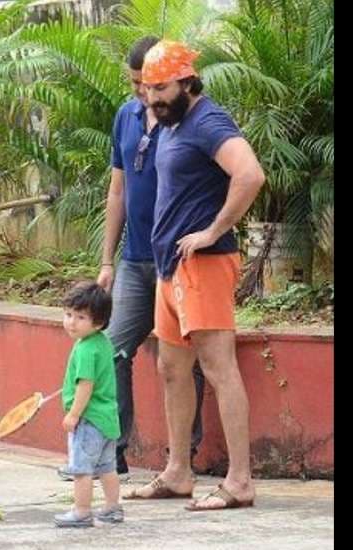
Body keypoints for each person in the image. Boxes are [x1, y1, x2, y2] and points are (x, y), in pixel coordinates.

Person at [123, 40, 265, 511]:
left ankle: (240, 481)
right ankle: (178, 471)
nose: (151, 98)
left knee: (219, 368)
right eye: (146, 89)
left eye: (160, 87)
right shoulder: (172, 122)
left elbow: (250, 175)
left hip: (203, 264)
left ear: (186, 80)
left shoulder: (208, 121)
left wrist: (212, 231)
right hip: (170, 266)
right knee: (171, 368)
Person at [95, 36, 206, 476]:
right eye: (136, 83)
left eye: (151, 83)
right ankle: (113, 450)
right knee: (110, 350)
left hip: (178, 261)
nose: (143, 92)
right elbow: (118, 188)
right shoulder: (125, 116)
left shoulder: (183, 118)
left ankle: (184, 455)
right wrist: (107, 259)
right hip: (135, 260)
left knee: (182, 355)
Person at [54, 281, 124, 528]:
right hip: (108, 419)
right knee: (107, 467)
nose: (71, 322)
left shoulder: (84, 349)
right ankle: (112, 508)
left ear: (98, 322)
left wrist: (74, 414)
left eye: (80, 317)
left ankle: (82, 511)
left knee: (81, 469)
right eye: (68, 314)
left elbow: (86, 385)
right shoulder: (102, 343)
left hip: (89, 420)